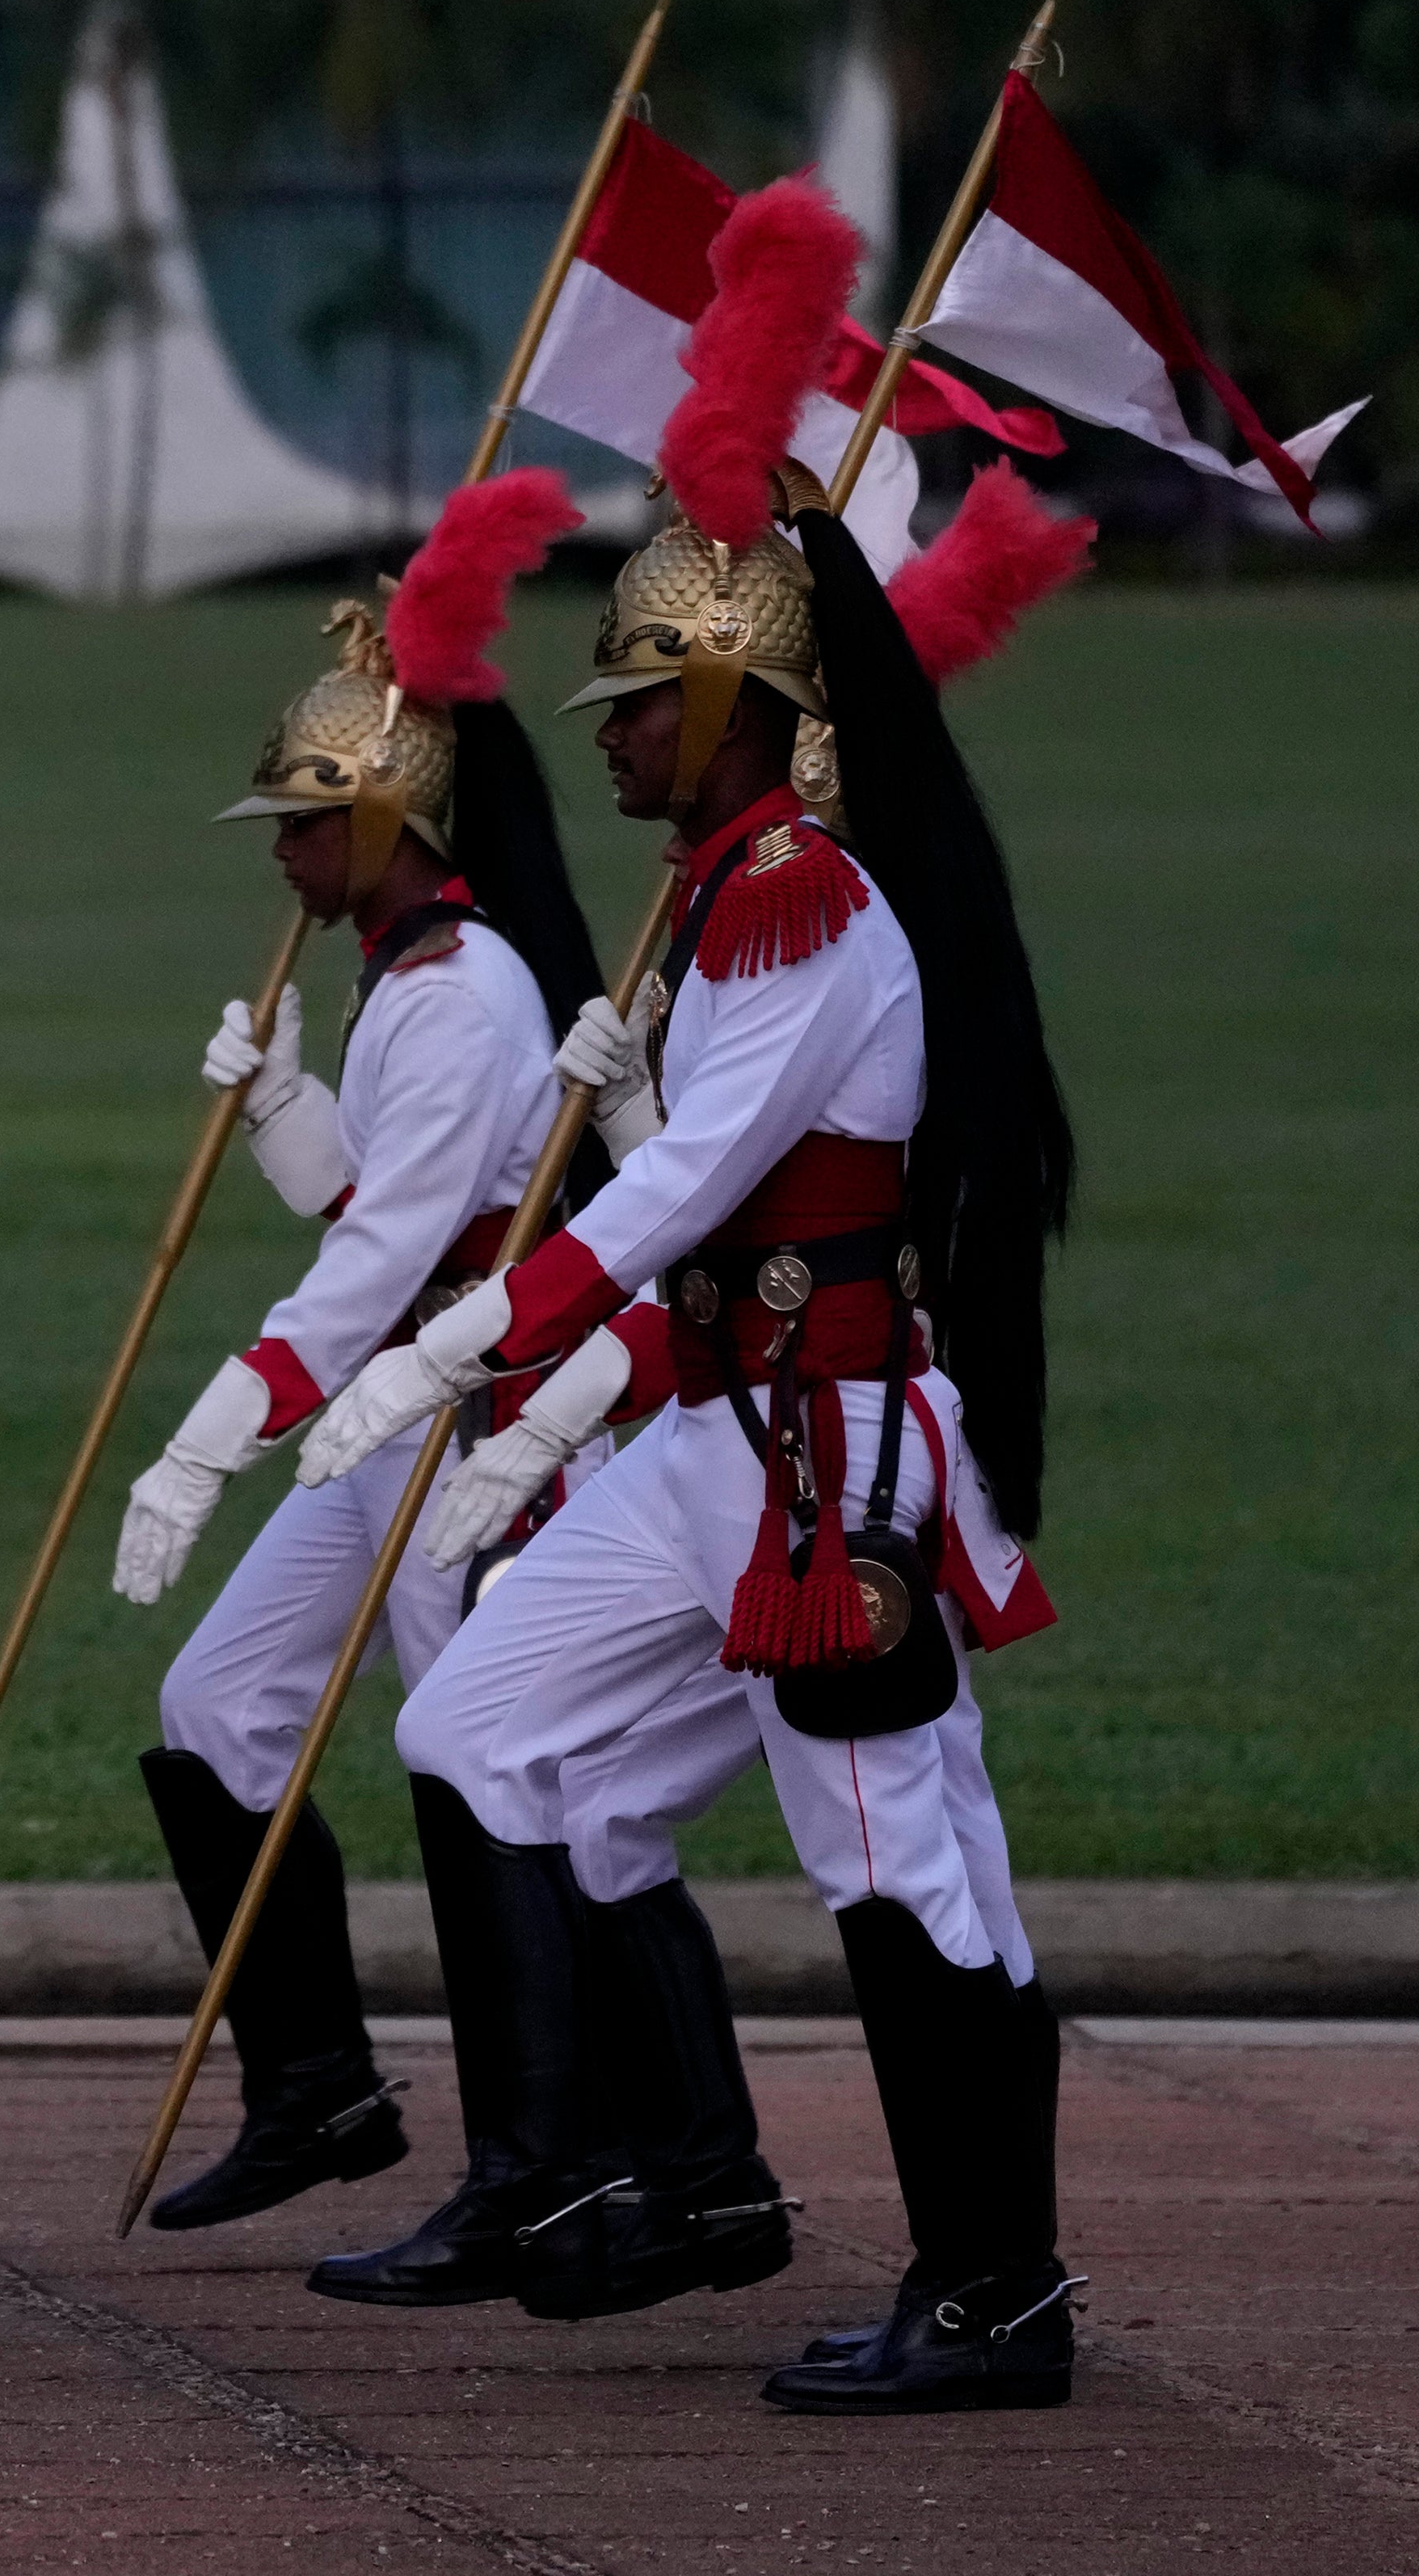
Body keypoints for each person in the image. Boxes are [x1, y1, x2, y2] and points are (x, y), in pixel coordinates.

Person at [313, 181, 1084, 2411]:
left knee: (899, 1856)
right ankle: (687, 2169)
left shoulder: (800, 906)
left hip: (824, 1448)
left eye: (647, 700)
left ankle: (994, 2288)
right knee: (492, 1736)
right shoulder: (730, 894)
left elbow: (695, 1200)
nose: (610, 734)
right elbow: (693, 1227)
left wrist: (477, 1341)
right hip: (709, 1441)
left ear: (746, 698)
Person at [106, 472, 634, 2261]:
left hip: (475, 1420)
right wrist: (282, 1114)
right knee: (213, 1719)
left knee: (478, 1766)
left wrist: (200, 1444)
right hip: (390, 1408)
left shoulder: (465, 986)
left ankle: (538, 2160)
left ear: (383, 815)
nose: (278, 853)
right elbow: (377, 1207)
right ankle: (319, 2089)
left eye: (300, 824)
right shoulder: (401, 986)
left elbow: (383, 1265)